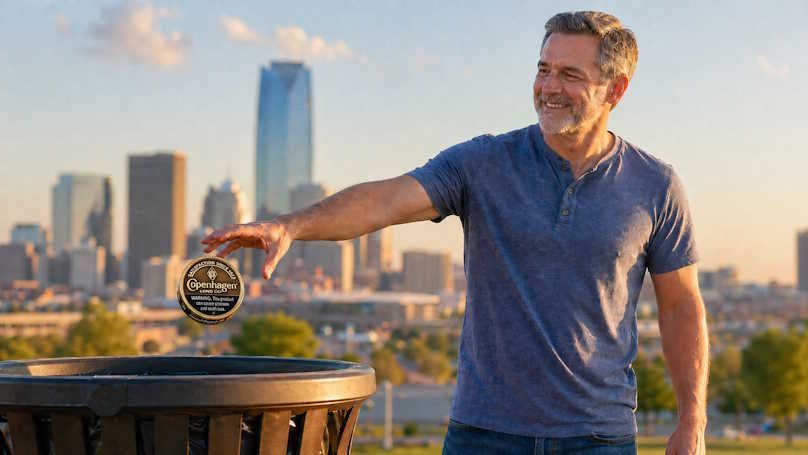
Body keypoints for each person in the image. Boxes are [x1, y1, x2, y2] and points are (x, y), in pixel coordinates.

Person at [202, 11, 708, 455]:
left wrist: (693, 422)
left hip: (599, 438)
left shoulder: (655, 185)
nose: (549, 87)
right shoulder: (482, 163)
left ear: (615, 90)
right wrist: (291, 225)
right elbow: (385, 200)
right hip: (485, 433)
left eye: (570, 75)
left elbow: (681, 306)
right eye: (543, 69)